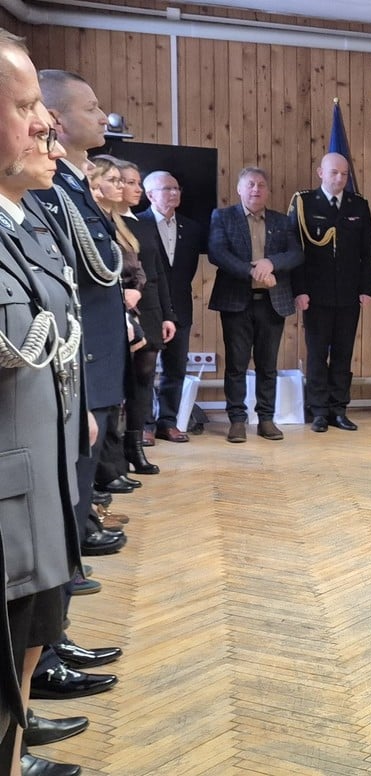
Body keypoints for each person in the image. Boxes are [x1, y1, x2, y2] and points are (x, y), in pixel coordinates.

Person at [0, 39, 89, 774]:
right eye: (26, 105)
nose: (45, 124)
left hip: (38, 481)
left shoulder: (23, 218)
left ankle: (19, 748)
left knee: (27, 647)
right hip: (12, 497)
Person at [36, 69, 127, 558]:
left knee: (84, 467)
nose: (103, 116)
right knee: (74, 467)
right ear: (57, 119)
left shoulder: (72, 185)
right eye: (90, 108)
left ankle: (78, 539)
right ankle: (68, 565)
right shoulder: (52, 189)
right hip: (83, 354)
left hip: (100, 351)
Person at [91, 156, 176, 477]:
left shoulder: (143, 224)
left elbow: (158, 272)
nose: (135, 188)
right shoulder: (103, 221)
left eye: (137, 183)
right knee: (117, 379)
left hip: (150, 308)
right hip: (119, 309)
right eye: (128, 182)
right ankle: (111, 456)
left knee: (144, 377)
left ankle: (135, 446)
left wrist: (168, 315)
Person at [208, 166, 303, 443]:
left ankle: (266, 419)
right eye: (250, 184)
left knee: (267, 365)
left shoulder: (282, 221)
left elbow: (296, 254)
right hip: (236, 301)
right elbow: (217, 253)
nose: (256, 189)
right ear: (239, 189)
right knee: (236, 364)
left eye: (261, 185)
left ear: (268, 191)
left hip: (272, 304)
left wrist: (271, 263)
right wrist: (253, 271)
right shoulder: (222, 217)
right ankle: (237, 420)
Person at [288, 152, 371, 433]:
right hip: (315, 294)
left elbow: (367, 251)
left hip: (349, 294)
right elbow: (295, 250)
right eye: (334, 172)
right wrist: (299, 290)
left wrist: (367, 289)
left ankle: (339, 409)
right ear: (320, 173)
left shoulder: (358, 204)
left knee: (343, 353)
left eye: (344, 174)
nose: (340, 178)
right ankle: (318, 411)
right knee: (316, 354)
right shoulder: (304, 203)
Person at [139, 170, 207, 443]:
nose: (174, 193)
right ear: (150, 194)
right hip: (147, 309)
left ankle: (168, 422)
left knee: (176, 369)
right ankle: (145, 424)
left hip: (180, 307)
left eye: (176, 188)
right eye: (167, 189)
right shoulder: (136, 224)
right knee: (144, 370)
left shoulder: (192, 229)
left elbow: (187, 271)